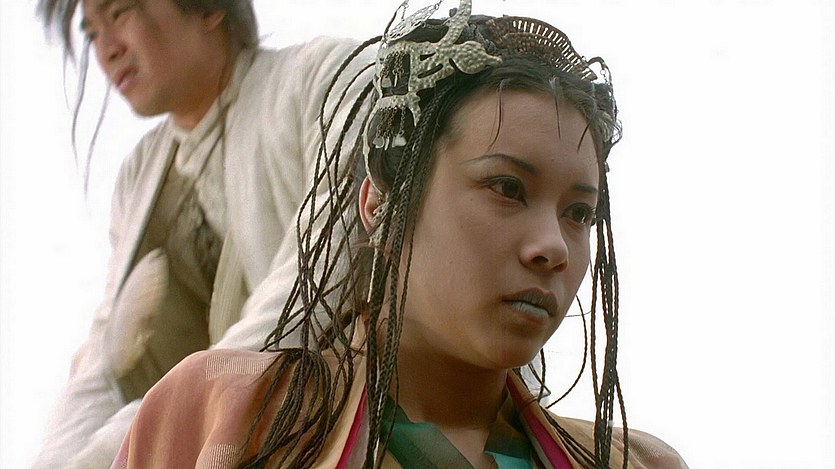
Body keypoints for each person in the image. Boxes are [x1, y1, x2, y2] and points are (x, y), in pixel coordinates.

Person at [111, 0, 689, 467]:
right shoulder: (220, 418)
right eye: (507, 188)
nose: (554, 247)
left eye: (580, 214)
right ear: (381, 204)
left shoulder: (638, 463)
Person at [33, 0, 371, 467]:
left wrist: (142, 434)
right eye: (91, 33)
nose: (106, 50)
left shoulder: (325, 77)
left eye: (120, 12)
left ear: (209, 9)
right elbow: (99, 363)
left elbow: (322, 274)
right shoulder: (138, 180)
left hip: (336, 424)